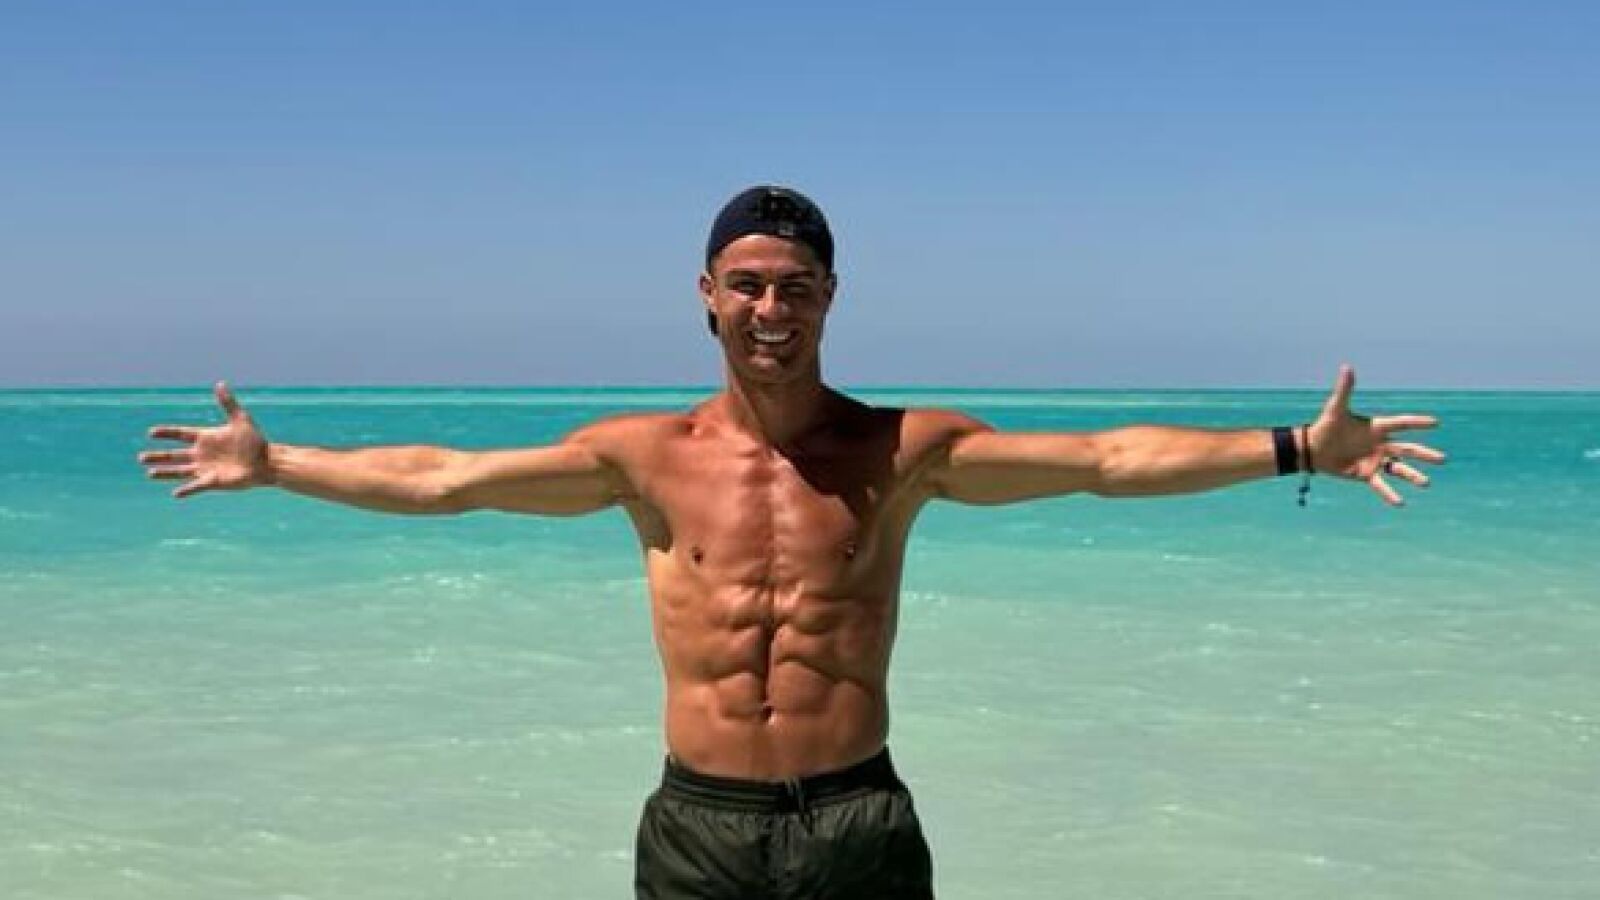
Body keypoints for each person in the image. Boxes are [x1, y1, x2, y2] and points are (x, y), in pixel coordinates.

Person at [138, 185, 1446, 899]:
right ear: (708, 297)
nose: (773, 309)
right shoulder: (646, 458)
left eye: (798, 287)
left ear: (831, 300)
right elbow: (445, 482)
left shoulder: (900, 450)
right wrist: (278, 464)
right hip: (700, 826)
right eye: (750, 285)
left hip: (858, 820)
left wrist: (1297, 446)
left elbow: (1106, 462)